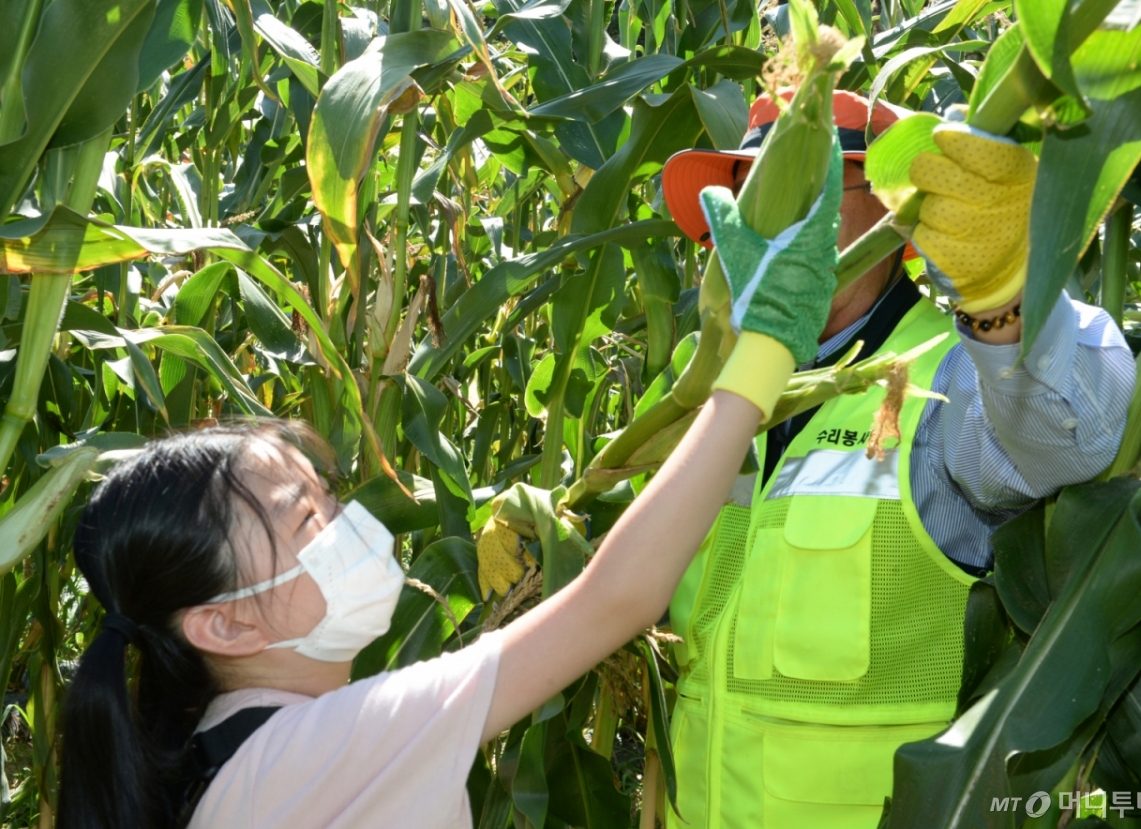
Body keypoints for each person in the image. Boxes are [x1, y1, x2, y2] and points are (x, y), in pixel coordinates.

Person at [57, 177, 832, 829]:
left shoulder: (222, 754)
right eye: (308, 518)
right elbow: (616, 600)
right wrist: (761, 358)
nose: (349, 523)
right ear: (225, 624)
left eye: (330, 494)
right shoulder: (319, 749)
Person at [658, 89, 1136, 828]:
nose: (769, 220)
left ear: (889, 210)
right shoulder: (703, 391)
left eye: (801, 186)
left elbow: (1068, 430)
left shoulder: (950, 380)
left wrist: (1001, 297)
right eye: (751, 196)